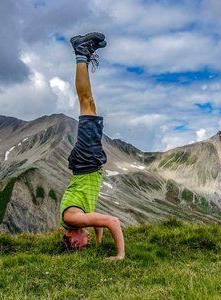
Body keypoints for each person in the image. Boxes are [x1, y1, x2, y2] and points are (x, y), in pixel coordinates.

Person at [59, 32, 125, 260]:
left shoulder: (74, 220)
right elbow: (97, 219)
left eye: (84, 245)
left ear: (73, 241)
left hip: (87, 162)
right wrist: (98, 240)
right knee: (89, 103)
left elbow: (111, 222)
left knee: (86, 102)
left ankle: (80, 53)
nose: (85, 243)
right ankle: (83, 55)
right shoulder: (74, 218)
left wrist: (119, 255)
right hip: (85, 163)